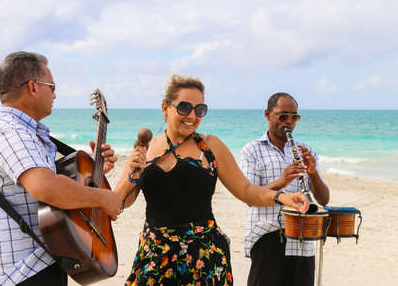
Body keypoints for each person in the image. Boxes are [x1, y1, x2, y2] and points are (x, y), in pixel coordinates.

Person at [115, 75, 311, 286]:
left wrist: (283, 197)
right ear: (165, 107)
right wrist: (133, 174)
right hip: (154, 256)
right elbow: (119, 203)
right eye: (184, 107)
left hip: (204, 259)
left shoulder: (209, 147)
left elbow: (246, 190)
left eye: (200, 110)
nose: (192, 115)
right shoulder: (146, 148)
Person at [0, 51, 121, 286]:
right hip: (23, 273)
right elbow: (47, 188)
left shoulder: (24, 134)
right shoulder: (11, 133)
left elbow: (51, 189)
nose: (55, 93)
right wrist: (103, 197)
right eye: (52, 86)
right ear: (33, 87)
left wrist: (95, 172)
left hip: (38, 266)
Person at [240, 92, 330, 286]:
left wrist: (313, 173)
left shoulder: (305, 149)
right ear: (267, 114)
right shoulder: (252, 150)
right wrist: (281, 182)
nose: (288, 122)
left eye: (294, 117)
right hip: (267, 236)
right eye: (282, 116)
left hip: (302, 239)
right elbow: (248, 196)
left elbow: (323, 200)